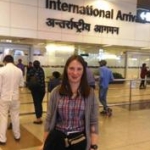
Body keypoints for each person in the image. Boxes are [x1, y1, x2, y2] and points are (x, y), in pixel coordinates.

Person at [41, 55, 99, 150]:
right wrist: (44, 143)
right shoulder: (56, 92)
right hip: (57, 140)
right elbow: (49, 119)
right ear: (66, 69)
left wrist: (93, 146)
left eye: (79, 69)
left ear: (83, 71)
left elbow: (94, 122)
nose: (75, 73)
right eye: (71, 68)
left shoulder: (90, 94)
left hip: (79, 141)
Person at [0, 55, 24, 144]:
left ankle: (2, 139)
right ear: (13, 61)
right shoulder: (19, 71)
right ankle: (17, 135)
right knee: (15, 116)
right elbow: (21, 84)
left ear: (5, 61)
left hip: (4, 97)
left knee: (3, 117)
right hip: (15, 98)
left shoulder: (1, 70)